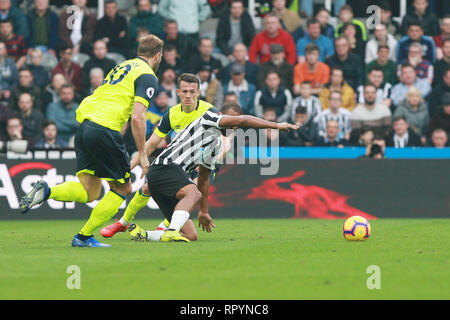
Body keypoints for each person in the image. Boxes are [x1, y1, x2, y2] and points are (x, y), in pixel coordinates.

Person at [19, 35, 163, 248]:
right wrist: (143, 153)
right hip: (105, 130)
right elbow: (138, 116)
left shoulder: (122, 66)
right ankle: (84, 237)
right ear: (158, 56)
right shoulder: (148, 75)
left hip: (86, 127)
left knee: (90, 192)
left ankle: (48, 191)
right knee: (123, 189)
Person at [127, 101, 298, 243]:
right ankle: (171, 229)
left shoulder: (215, 147)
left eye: (235, 128)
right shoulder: (208, 118)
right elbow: (243, 120)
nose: (234, 128)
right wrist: (275, 125)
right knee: (192, 194)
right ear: (224, 117)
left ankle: (144, 235)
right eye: (233, 123)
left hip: (163, 179)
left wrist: (204, 211)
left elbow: (203, 179)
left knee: (191, 235)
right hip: (165, 166)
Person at [100, 73, 221, 240]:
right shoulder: (172, 114)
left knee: (193, 190)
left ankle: (166, 226)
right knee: (148, 187)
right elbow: (150, 144)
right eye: (184, 91)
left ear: (198, 93)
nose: (188, 95)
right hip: (180, 162)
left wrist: (209, 160)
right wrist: (129, 168)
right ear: (177, 92)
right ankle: (123, 223)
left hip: (203, 163)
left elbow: (222, 139)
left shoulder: (209, 111)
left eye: (192, 92)